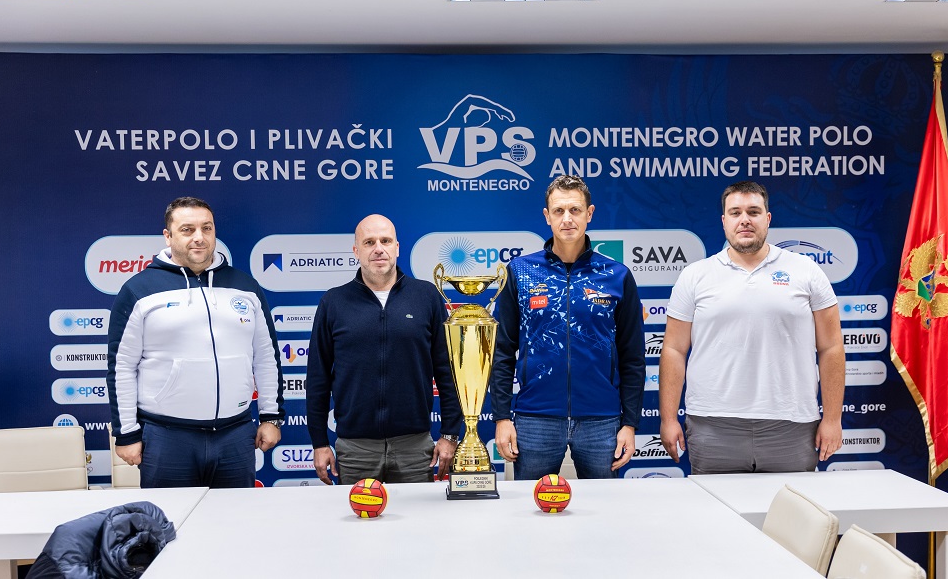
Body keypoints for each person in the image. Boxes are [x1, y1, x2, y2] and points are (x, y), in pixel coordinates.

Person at [658, 181, 845, 474]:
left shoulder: (806, 271)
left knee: (790, 505)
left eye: (753, 212)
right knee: (713, 506)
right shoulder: (695, 276)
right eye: (735, 213)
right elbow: (673, 349)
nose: (744, 219)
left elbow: (831, 347)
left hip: (791, 424)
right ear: (724, 221)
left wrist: (832, 419)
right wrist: (668, 419)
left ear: (767, 219)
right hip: (712, 425)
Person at [107, 197, 284, 488]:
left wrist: (271, 417)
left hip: (236, 434)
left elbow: (266, 357)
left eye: (207, 228)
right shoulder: (139, 290)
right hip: (166, 437)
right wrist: (126, 433)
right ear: (168, 236)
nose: (199, 237)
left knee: (237, 516)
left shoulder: (246, 287)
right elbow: (122, 367)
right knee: (171, 518)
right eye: (187, 229)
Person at [490, 175, 646, 479]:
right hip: (535, 417)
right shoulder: (520, 272)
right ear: (547, 216)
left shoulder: (617, 275)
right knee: (531, 504)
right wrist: (501, 418)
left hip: (601, 420)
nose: (567, 219)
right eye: (559, 211)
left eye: (575, 210)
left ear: (589, 213)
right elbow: (502, 351)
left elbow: (633, 357)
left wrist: (629, 423)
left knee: (603, 505)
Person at [306, 214, 463, 485]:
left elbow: (448, 371)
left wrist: (449, 434)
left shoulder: (426, 296)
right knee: (357, 515)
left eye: (385, 241)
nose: (378, 248)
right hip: (355, 449)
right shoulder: (334, 302)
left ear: (397, 247)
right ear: (356, 251)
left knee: (417, 514)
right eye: (369, 242)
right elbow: (318, 378)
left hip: (415, 448)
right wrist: (319, 442)